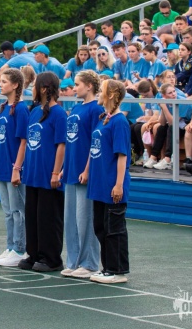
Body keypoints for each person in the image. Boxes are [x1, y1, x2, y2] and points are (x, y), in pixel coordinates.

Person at [18, 72, 67, 272]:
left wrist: (56, 172)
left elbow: (62, 145)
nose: (33, 90)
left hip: (48, 174)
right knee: (32, 217)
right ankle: (34, 253)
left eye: (36, 86)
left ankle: (51, 258)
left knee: (49, 218)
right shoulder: (34, 111)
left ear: (44, 88)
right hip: (33, 173)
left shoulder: (59, 113)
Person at [87, 79, 131, 284]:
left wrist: (119, 184)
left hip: (112, 183)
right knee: (101, 226)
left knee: (114, 228)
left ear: (111, 95)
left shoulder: (119, 121)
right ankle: (107, 268)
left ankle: (117, 269)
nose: (98, 93)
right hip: (99, 183)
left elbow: (122, 155)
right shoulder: (104, 118)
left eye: (101, 91)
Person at [60, 70, 103, 279]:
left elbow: (95, 142)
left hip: (84, 172)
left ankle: (90, 263)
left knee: (85, 219)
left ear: (89, 86)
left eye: (77, 84)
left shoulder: (96, 109)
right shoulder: (76, 107)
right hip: (70, 170)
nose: (74, 88)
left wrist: (87, 169)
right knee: (71, 220)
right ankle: (74, 261)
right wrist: (63, 167)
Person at [0, 68, 28, 267]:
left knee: (17, 211)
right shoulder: (3, 108)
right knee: (7, 211)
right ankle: (11, 246)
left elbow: (23, 141)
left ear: (15, 85)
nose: (0, 84)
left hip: (14, 169)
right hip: (3, 167)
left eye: (4, 81)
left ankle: (20, 249)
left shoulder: (21, 109)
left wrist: (17, 168)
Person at [142, 83, 181, 170]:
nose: (173, 94)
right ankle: (153, 157)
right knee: (161, 128)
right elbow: (162, 122)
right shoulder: (166, 101)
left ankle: (167, 159)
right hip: (177, 124)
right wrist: (163, 108)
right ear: (164, 96)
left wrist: (165, 107)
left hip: (186, 123)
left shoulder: (181, 101)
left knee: (171, 128)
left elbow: (173, 123)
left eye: (174, 91)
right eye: (170, 93)